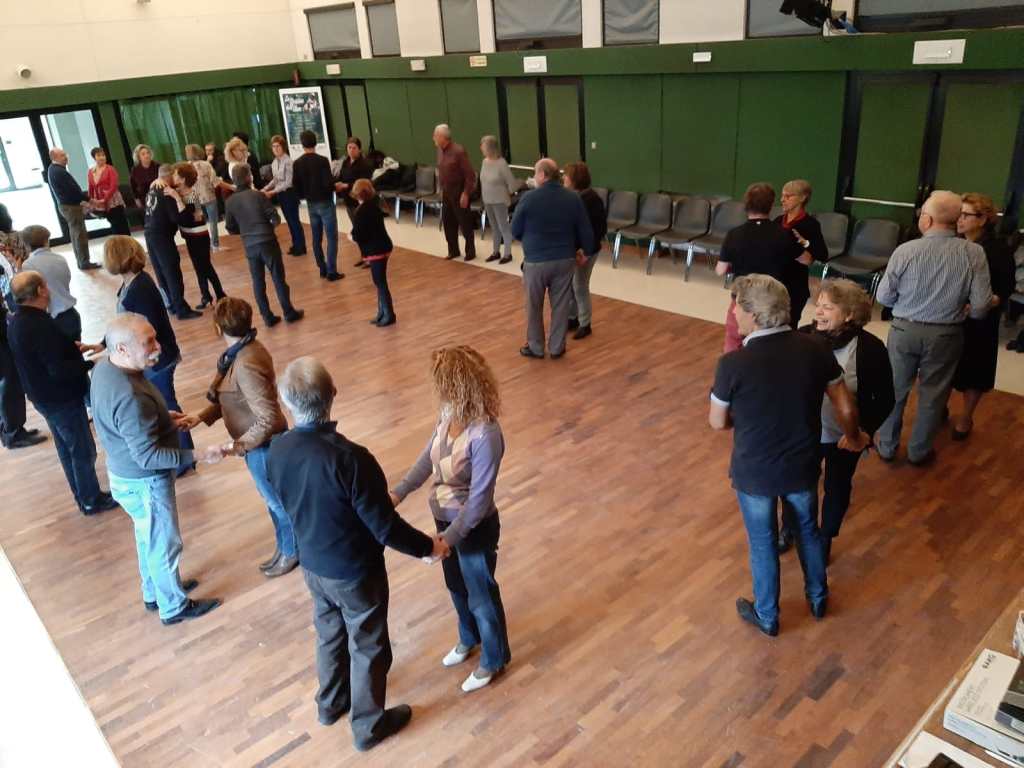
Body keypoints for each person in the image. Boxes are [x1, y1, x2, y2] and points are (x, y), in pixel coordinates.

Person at [266, 356, 445, 751]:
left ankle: (330, 704)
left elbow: (286, 501)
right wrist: (428, 547)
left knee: (329, 633)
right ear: (333, 394)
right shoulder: (352, 459)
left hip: (312, 565)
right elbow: (385, 526)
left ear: (286, 403)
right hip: (354, 572)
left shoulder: (277, 449)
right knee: (368, 644)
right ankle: (368, 726)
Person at [709, 274, 867, 636]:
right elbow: (844, 404)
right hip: (801, 463)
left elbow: (717, 422)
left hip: (755, 471)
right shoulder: (815, 349)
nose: (733, 313)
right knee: (808, 530)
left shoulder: (732, 364)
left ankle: (767, 615)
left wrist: (743, 416)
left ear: (753, 314)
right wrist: (854, 437)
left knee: (762, 541)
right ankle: (818, 598)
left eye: (736, 307)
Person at [391, 346, 511, 692]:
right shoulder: (447, 415)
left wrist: (447, 540)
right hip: (445, 522)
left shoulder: (486, 434)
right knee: (457, 586)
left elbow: (479, 500)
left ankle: (494, 659)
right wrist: (398, 492)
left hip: (473, 528)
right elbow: (427, 459)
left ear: (457, 386)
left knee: (481, 594)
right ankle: (469, 638)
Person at [91, 313, 221, 625]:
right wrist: (199, 454)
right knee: (164, 543)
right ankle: (173, 606)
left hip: (124, 476)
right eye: (148, 342)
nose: (158, 346)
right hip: (145, 482)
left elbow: (127, 424)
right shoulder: (130, 397)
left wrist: (163, 419)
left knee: (146, 536)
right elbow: (149, 457)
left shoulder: (105, 368)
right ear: (122, 349)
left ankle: (155, 591)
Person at [177, 297, 298, 577]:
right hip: (256, 445)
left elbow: (268, 418)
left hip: (263, 447)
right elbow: (233, 398)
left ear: (218, 328)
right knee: (272, 502)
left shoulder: (245, 363)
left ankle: (291, 551)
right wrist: (201, 416)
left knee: (277, 504)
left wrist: (236, 446)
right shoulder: (239, 353)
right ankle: (284, 547)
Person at [876, 190, 993, 466]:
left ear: (927, 220)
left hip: (904, 331)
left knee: (895, 389)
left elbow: (883, 298)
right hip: (946, 335)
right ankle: (919, 452)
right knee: (933, 395)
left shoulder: (905, 251)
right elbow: (980, 307)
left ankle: (887, 446)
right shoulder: (974, 253)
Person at [6, 271, 118, 514]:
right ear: (40, 291)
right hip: (61, 398)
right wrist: (91, 363)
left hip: (42, 397)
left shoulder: (17, 321)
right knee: (82, 450)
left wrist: (68, 347)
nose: (48, 289)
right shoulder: (39, 325)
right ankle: (91, 499)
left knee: (67, 448)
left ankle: (83, 496)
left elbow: (40, 355)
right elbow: (58, 369)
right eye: (45, 285)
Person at [801, 279, 894, 563]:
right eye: (818, 305)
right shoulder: (802, 338)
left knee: (837, 486)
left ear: (850, 314)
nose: (818, 312)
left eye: (828, 307)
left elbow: (886, 398)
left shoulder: (871, 349)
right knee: (800, 484)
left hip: (845, 438)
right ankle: (792, 528)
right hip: (804, 432)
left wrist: (863, 431)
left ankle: (825, 536)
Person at [103, 236, 195, 476]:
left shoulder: (140, 287)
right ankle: (181, 457)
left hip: (157, 360)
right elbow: (126, 325)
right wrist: (105, 343)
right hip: (150, 358)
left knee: (166, 404)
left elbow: (145, 331)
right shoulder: (131, 284)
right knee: (163, 403)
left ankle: (183, 458)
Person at [511, 158, 594, 360]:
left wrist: (529, 241)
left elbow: (515, 229)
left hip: (536, 261)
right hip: (564, 260)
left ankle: (536, 347)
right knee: (561, 306)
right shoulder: (573, 198)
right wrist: (586, 251)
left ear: (542, 175)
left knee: (534, 306)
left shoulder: (529, 198)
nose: (534, 177)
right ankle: (557, 347)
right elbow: (585, 229)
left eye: (535, 173)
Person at [950, 193, 1017, 440]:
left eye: (966, 215)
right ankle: (939, 409)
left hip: (981, 320)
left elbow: (1005, 288)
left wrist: (982, 304)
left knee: (975, 372)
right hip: (953, 316)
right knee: (946, 366)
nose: (960, 219)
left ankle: (965, 417)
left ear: (983, 219)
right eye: (958, 214)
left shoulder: (998, 249)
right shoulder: (954, 242)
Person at [715, 183, 803, 353]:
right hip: (772, 301)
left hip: (743, 299)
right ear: (770, 206)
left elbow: (720, 270)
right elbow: (805, 260)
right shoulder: (784, 234)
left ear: (746, 205)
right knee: (771, 346)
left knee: (733, 342)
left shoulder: (734, 234)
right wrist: (803, 242)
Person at [225, 164, 304, 327]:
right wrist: (269, 226)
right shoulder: (258, 196)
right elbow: (275, 218)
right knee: (278, 278)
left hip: (250, 245)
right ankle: (288, 312)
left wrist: (245, 230)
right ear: (249, 177)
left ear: (234, 179)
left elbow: (230, 228)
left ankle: (267, 317)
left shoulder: (230, 201)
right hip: (267, 241)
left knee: (258, 282)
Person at [144, 165, 200, 320]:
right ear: (168, 176)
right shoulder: (167, 192)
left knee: (161, 272)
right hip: (162, 237)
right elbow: (177, 218)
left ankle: (171, 305)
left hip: (149, 234)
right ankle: (181, 309)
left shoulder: (153, 188)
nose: (176, 178)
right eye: (174, 175)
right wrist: (183, 208)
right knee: (172, 272)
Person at [170, 162, 226, 310]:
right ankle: (206, 296)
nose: (173, 176)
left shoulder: (193, 194)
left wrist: (178, 202)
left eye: (175, 174)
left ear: (183, 179)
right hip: (188, 236)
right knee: (198, 267)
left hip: (199, 236)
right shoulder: (175, 192)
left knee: (206, 266)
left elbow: (195, 218)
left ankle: (220, 294)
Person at [775, 179, 828, 330]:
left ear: (802, 198)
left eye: (788, 196)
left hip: (795, 286)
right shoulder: (778, 221)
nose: (782, 200)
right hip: (775, 282)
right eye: (782, 196)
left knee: (789, 326)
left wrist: (805, 243)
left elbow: (822, 254)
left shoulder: (810, 224)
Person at [563, 161, 606, 341]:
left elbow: (598, 230)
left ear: (575, 180)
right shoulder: (576, 197)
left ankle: (585, 323)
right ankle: (573, 318)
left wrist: (585, 252)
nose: (564, 179)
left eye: (566, 176)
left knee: (580, 286)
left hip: (587, 251)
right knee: (572, 285)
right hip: (577, 250)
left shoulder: (590, 200)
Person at [292, 130, 343, 281]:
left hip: (311, 204)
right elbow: (328, 183)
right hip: (325, 202)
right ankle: (332, 271)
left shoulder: (297, 163)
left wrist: (306, 195)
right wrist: (335, 186)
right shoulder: (322, 161)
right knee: (331, 237)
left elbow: (296, 187)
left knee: (316, 238)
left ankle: (322, 268)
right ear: (316, 142)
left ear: (302, 144)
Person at [21, 225, 81, 342]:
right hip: (71, 313)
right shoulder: (60, 258)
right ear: (46, 241)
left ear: (26, 245)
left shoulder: (27, 265)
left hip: (52, 317)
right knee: (77, 349)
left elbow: (29, 294)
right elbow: (66, 279)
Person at [349, 179, 395, 327]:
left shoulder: (360, 212)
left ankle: (389, 314)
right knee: (380, 281)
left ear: (357, 194)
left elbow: (359, 235)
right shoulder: (374, 207)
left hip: (376, 250)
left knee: (380, 283)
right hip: (384, 246)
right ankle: (382, 312)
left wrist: (351, 237)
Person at [46, 148, 97, 270]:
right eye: (62, 155)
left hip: (66, 206)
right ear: (55, 157)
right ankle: (84, 262)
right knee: (80, 235)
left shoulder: (52, 169)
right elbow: (73, 190)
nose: (66, 157)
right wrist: (88, 200)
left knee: (75, 234)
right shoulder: (59, 171)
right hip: (71, 207)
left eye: (65, 154)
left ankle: (81, 261)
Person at [433, 124, 477, 262]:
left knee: (464, 222)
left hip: (459, 191)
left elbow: (470, 175)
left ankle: (470, 251)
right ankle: (453, 250)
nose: (433, 138)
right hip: (446, 192)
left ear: (443, 137)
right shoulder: (439, 150)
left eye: (435, 135)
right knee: (448, 222)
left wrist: (466, 193)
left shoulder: (459, 151)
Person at [261, 135, 306, 257]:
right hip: (281, 194)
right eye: (273, 146)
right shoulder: (274, 162)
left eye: (278, 146)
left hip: (289, 194)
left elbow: (288, 182)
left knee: (294, 221)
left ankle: (301, 247)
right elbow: (275, 180)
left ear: (283, 147)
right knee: (289, 221)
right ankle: (295, 244)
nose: (275, 149)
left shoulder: (288, 161)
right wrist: (265, 188)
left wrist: (272, 192)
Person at [479, 135, 517, 266]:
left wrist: (509, 193)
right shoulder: (484, 162)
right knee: (494, 227)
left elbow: (511, 183)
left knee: (503, 227)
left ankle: (508, 253)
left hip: (499, 200)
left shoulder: (502, 163)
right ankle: (496, 252)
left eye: (483, 146)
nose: (481, 148)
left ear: (490, 148)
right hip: (487, 199)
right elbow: (483, 180)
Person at [337, 137, 373, 266]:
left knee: (365, 229)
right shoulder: (345, 162)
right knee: (357, 229)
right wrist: (338, 184)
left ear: (359, 149)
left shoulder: (365, 164)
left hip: (359, 201)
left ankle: (371, 257)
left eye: (354, 148)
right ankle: (364, 255)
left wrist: (347, 185)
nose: (351, 150)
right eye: (349, 147)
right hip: (348, 201)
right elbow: (341, 176)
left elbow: (364, 183)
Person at [184, 144, 224, 251]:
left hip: (195, 199)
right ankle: (215, 245)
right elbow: (214, 181)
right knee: (213, 222)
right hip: (209, 196)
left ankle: (204, 245)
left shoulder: (186, 166)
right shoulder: (206, 164)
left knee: (199, 223)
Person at [87, 147, 131, 235]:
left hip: (113, 201)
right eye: (99, 155)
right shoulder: (91, 171)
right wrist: (90, 200)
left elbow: (114, 186)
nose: (102, 157)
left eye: (103, 155)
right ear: (94, 157)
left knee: (120, 224)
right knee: (113, 223)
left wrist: (105, 199)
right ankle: (117, 242)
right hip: (101, 201)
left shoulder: (110, 169)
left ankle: (127, 241)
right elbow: (91, 187)